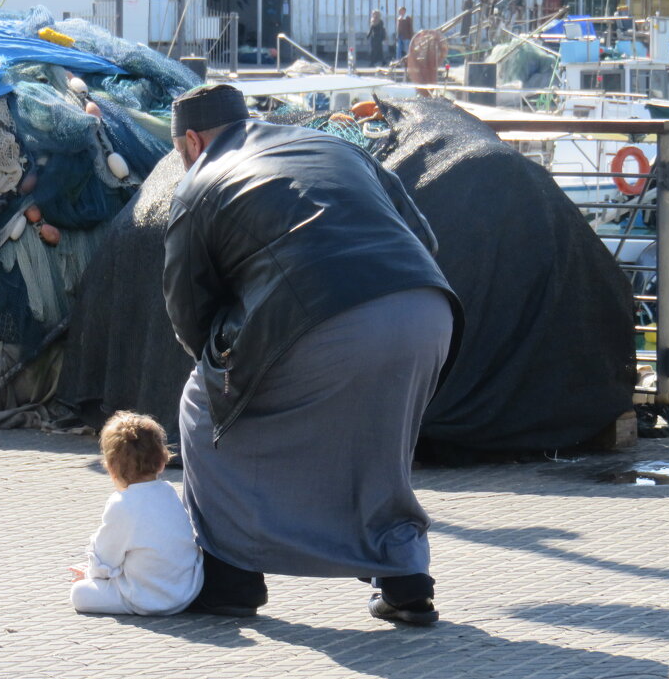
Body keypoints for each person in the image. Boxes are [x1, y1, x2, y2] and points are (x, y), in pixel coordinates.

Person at [163, 84, 463, 626]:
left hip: (325, 319)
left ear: (190, 140)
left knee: (199, 408)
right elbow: (424, 238)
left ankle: (231, 578)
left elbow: (190, 314)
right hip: (426, 311)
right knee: (377, 443)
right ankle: (405, 578)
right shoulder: (335, 147)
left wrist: (228, 388)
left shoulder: (198, 183)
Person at [70, 411, 203, 616]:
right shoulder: (169, 492)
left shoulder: (121, 504)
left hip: (147, 599)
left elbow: (106, 559)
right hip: (187, 592)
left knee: (79, 593)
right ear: (161, 462)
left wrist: (89, 575)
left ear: (110, 468)